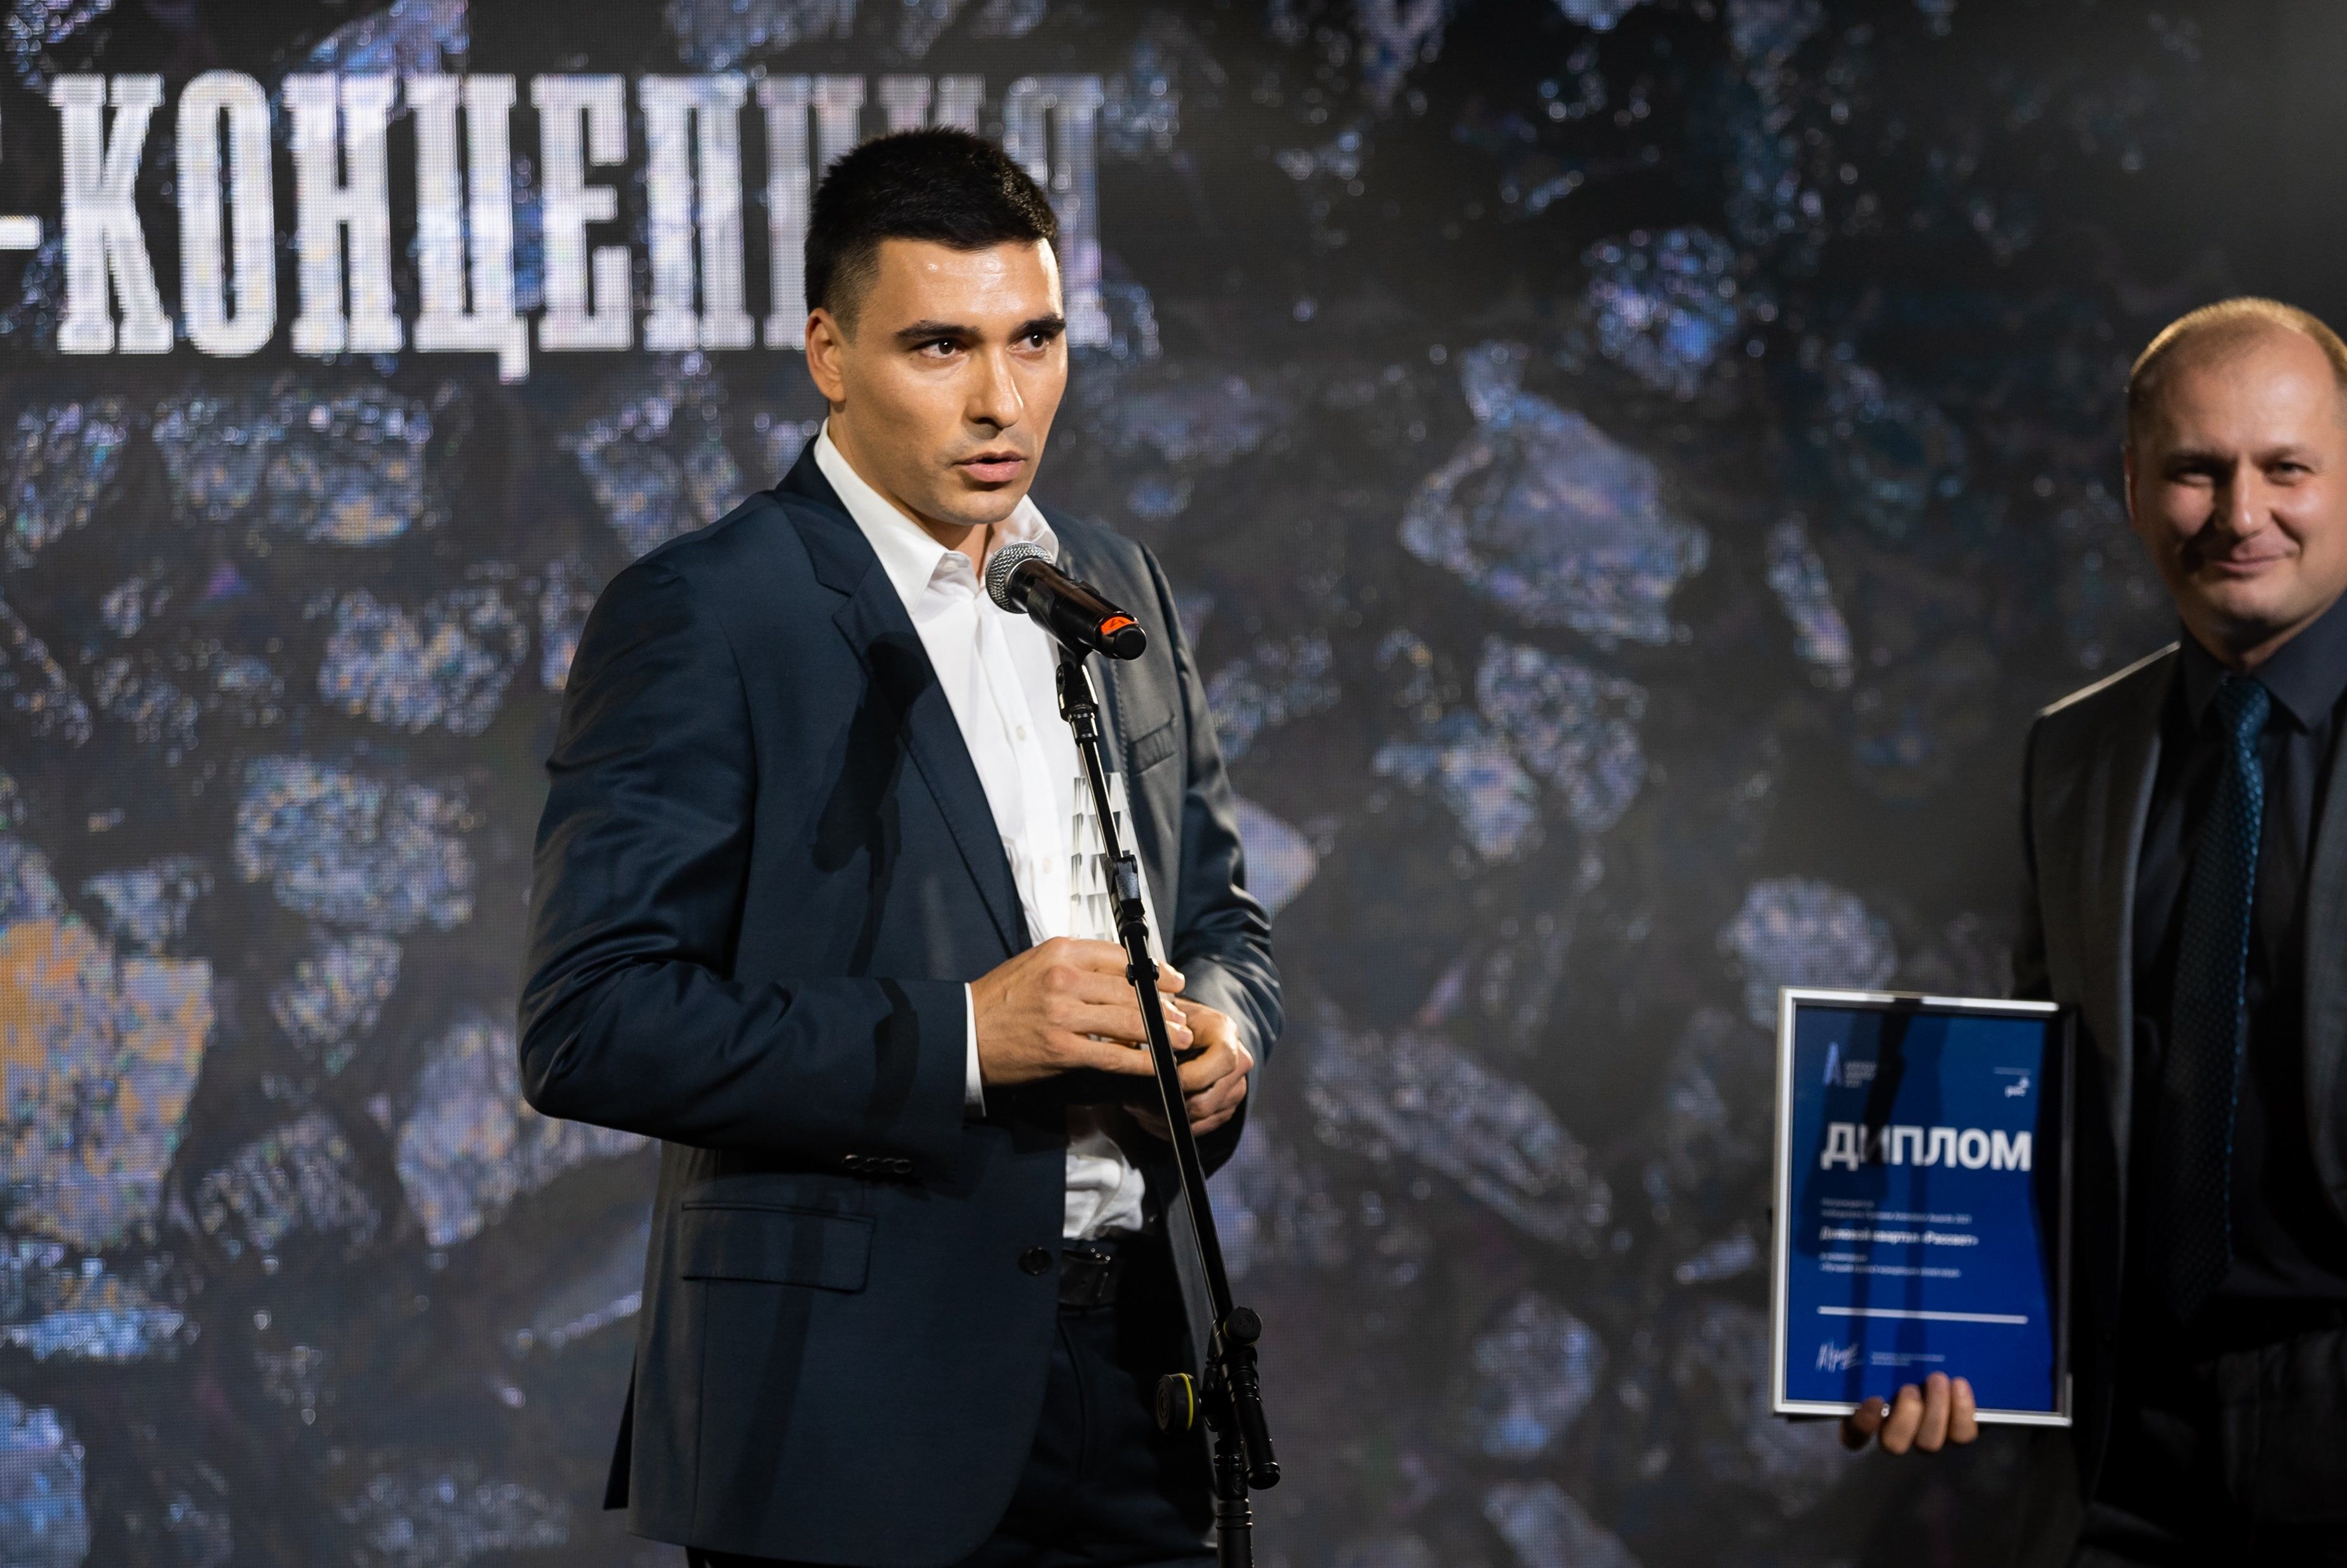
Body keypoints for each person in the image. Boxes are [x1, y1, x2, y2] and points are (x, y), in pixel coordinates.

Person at [516, 128, 1280, 1568]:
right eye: (941, 346)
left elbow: (1223, 918)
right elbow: (591, 1020)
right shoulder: (707, 611)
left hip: (1140, 1384)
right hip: (844, 1417)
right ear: (830, 351)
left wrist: (1223, 1035)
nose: (1002, 398)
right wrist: (968, 1037)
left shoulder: (1114, 582)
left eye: (1036, 338)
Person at [1843, 297, 2347, 1564]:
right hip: (2127, 1450)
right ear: (2131, 486)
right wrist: (1917, 1317)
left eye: (2287, 468)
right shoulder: (2075, 755)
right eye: (2196, 470)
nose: (2240, 513)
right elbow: (2038, 1100)